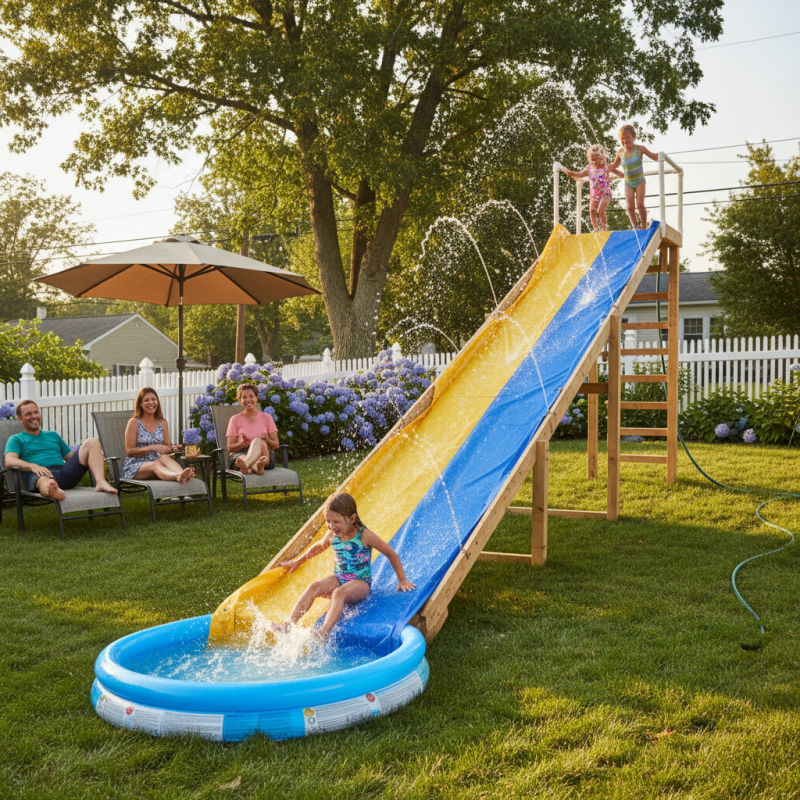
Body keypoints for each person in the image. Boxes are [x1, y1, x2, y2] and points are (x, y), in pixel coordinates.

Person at [270, 492, 416, 640]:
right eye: (328, 521)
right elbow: (319, 547)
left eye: (337, 521)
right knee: (314, 587)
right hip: (339, 579)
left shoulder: (364, 536)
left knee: (338, 593)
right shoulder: (333, 534)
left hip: (360, 584)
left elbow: (390, 553)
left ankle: (323, 632)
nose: (331, 526)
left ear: (352, 519)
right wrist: (297, 561)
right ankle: (288, 625)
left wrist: (402, 580)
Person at [4, 399, 118, 500]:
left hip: (62, 472)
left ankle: (101, 482)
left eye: (36, 412)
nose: (34, 416)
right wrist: (33, 466)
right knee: (43, 480)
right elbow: (9, 460)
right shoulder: (16, 439)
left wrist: (90, 454)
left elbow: (69, 457)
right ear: (20, 418)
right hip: (36, 475)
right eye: (28, 414)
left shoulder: (53, 435)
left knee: (92, 442)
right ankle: (52, 489)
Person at [122, 387, 195, 484]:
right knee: (155, 464)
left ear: (157, 402)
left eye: (153, 399)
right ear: (140, 404)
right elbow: (129, 452)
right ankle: (177, 476)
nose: (151, 402)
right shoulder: (134, 422)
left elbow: (167, 446)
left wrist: (172, 448)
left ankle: (183, 474)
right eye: (146, 400)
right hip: (136, 466)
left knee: (164, 458)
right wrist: (151, 447)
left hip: (159, 462)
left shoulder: (162, 422)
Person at [561, 144, 624, 232]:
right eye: (592, 159)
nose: (594, 161)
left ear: (602, 157)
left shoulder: (606, 167)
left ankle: (604, 229)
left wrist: (624, 173)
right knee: (592, 210)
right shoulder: (589, 169)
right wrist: (568, 172)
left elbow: (618, 170)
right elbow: (579, 174)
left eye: (596, 158)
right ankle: (596, 229)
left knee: (600, 210)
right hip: (595, 194)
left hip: (605, 193)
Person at [608, 124, 659, 230]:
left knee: (640, 204)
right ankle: (635, 227)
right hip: (628, 183)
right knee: (630, 206)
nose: (625, 140)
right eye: (623, 138)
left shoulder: (640, 149)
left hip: (640, 181)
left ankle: (644, 226)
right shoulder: (620, 152)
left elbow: (653, 156)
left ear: (634, 137)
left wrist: (659, 156)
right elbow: (614, 165)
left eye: (628, 137)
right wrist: (615, 172)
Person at [226, 383, 278, 475]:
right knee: (241, 459)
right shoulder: (234, 419)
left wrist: (267, 439)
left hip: (264, 455)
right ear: (240, 400)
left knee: (257, 441)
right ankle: (256, 468)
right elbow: (230, 448)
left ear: (256, 397)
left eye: (251, 396)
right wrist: (242, 443)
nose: (248, 400)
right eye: (244, 397)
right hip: (241, 454)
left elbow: (275, 445)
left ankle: (246, 465)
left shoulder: (267, 417)